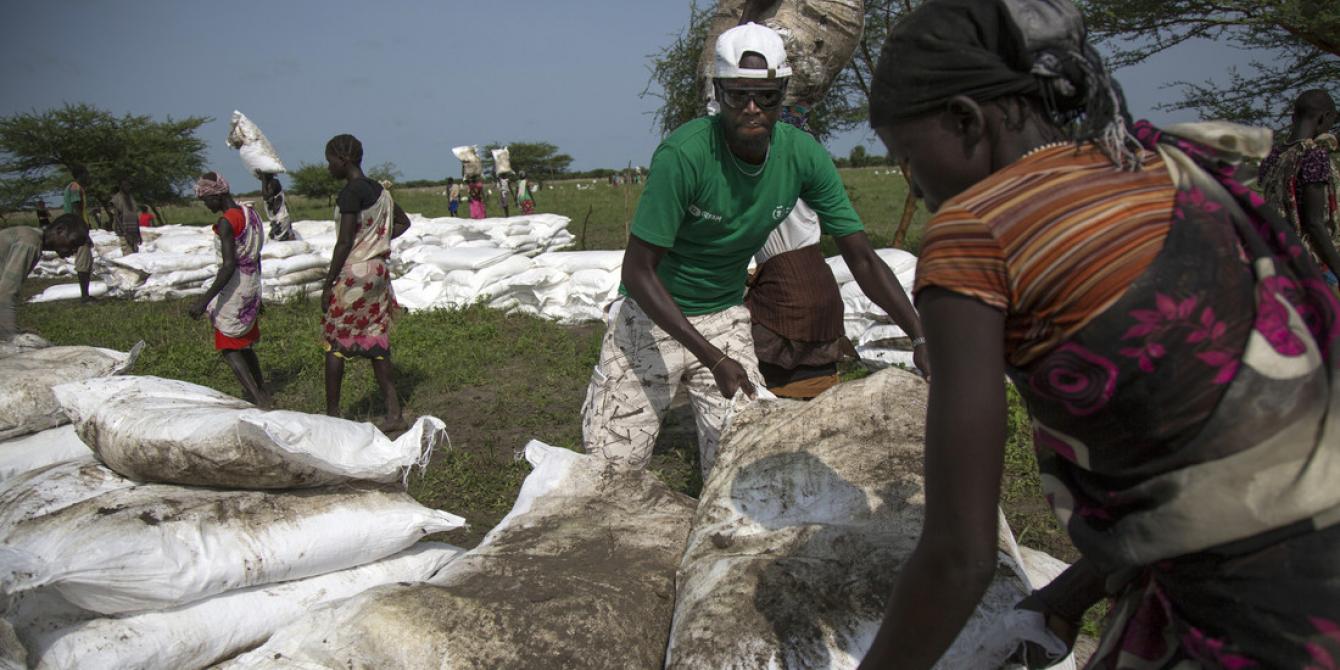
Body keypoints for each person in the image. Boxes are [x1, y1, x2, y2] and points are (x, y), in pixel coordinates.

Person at [857, 1, 1340, 668]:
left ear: (967, 119)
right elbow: (1216, 467)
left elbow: (958, 560)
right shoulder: (1172, 168)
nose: (919, 186)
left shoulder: (977, 232)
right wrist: (1070, 593)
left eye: (909, 159)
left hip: (1260, 631)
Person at [581, 22, 927, 477]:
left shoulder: (802, 154)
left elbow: (861, 256)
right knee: (610, 474)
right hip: (650, 317)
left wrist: (919, 336)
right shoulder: (685, 156)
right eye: (737, 94)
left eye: (765, 96)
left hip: (723, 315)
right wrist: (713, 358)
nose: (751, 107)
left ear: (782, 92)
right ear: (717, 92)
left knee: (746, 466)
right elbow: (640, 271)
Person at [321, 134, 412, 431]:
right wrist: (377, 241)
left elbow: (345, 240)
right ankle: (394, 413)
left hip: (354, 273)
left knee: (335, 341)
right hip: (378, 272)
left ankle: (333, 416)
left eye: (331, 161)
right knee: (376, 339)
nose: (329, 167)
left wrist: (328, 282)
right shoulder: (380, 191)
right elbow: (403, 222)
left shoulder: (350, 193)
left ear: (343, 160)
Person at [187, 172, 272, 409]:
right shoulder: (250, 213)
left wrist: (204, 301)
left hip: (235, 287)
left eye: (207, 201)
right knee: (243, 343)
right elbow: (256, 256)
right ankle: (262, 389)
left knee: (228, 345)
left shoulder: (227, 221)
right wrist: (257, 292)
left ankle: (256, 398)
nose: (207, 206)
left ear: (217, 195)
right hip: (251, 283)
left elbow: (228, 266)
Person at [1261, 89, 1340, 286]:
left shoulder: (1273, 157)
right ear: (1324, 118)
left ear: (1292, 117)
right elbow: (1314, 223)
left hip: (1278, 258)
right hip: (1312, 265)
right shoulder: (1314, 156)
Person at [0, 215, 88, 341]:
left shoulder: (29, 236)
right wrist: (10, 337)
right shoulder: (30, 243)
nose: (73, 250)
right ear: (60, 230)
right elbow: (5, 294)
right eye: (73, 243)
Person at [62, 180, 96, 303]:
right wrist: (82, 232)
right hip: (77, 231)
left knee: (86, 262)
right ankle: (85, 297)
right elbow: (76, 209)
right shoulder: (75, 187)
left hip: (76, 229)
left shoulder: (70, 186)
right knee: (83, 262)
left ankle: (86, 295)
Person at [110, 180, 141, 255]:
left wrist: (139, 233)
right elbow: (117, 217)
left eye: (129, 185)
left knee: (136, 253)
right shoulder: (117, 199)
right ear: (121, 187)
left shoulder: (131, 198)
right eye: (126, 185)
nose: (128, 187)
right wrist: (125, 233)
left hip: (133, 230)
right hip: (124, 231)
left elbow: (135, 215)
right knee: (128, 253)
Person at [260, 173, 294, 241]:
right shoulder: (268, 184)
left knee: (282, 240)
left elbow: (266, 197)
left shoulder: (274, 182)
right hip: (276, 220)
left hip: (281, 219)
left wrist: (263, 181)